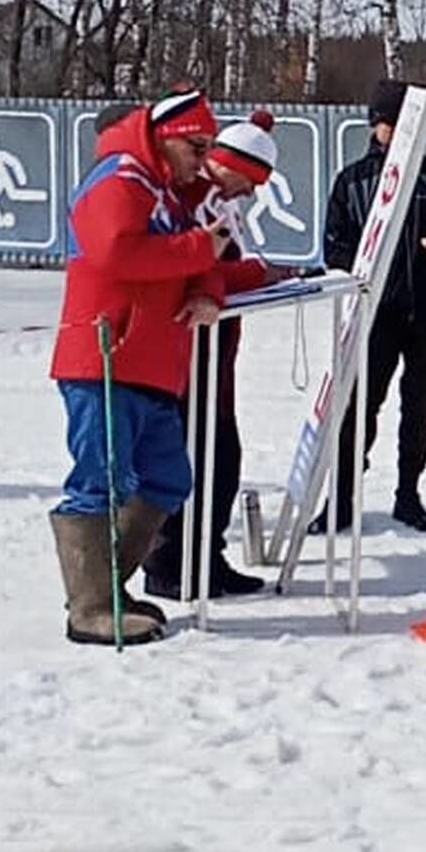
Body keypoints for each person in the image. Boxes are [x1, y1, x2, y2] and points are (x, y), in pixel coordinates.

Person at [48, 91, 226, 645]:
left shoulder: (166, 192)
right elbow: (116, 253)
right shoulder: (119, 179)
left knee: (169, 477)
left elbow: (213, 255)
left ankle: (106, 587)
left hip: (151, 362)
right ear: (166, 137)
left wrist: (209, 289)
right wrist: (202, 253)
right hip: (106, 357)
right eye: (197, 146)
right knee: (99, 481)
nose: (203, 158)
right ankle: (91, 607)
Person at [142, 112, 294, 601]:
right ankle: (170, 563)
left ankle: (207, 557)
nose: (247, 192)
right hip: (188, 355)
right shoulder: (191, 199)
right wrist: (258, 275)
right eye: (245, 180)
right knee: (190, 461)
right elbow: (193, 270)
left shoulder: (214, 199)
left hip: (214, 357)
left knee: (221, 462)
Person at [316, 78, 426, 533]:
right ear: (374, 126)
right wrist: (362, 267)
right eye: (388, 125)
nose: (396, 135)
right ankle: (340, 499)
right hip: (374, 315)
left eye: (405, 127)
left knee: (421, 405)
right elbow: (334, 245)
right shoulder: (353, 180)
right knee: (358, 406)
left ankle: (408, 494)